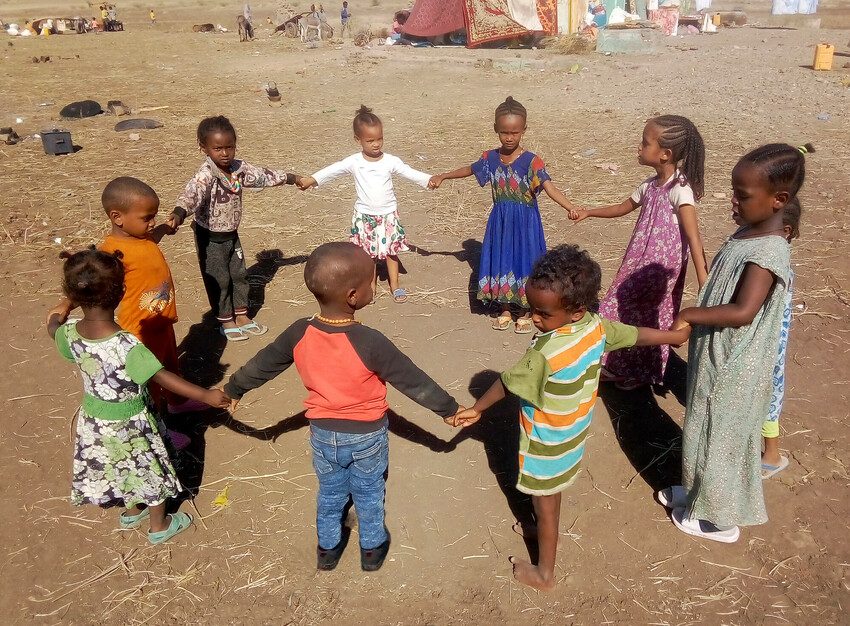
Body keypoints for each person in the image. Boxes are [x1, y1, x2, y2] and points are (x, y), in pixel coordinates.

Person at [451, 244, 690, 590]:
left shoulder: (547, 352)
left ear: (575, 311)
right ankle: (540, 528)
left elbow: (506, 383)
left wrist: (476, 409)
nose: (534, 318)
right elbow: (635, 335)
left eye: (543, 314)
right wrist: (672, 337)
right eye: (533, 309)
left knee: (545, 501)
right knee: (548, 498)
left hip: (546, 442)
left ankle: (544, 573)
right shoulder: (596, 327)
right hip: (572, 435)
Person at [223, 242, 463, 571]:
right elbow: (412, 380)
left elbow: (265, 363)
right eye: (371, 281)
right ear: (353, 296)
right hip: (367, 436)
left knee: (331, 491)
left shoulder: (300, 331)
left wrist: (236, 388)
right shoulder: (370, 341)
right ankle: (372, 547)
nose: (374, 285)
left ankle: (328, 548)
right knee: (368, 490)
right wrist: (448, 409)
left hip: (323, 434)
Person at [658, 143, 808, 543]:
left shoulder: (768, 252)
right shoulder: (750, 233)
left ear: (779, 201)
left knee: (720, 435)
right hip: (718, 355)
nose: (733, 201)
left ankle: (719, 519)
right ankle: (697, 494)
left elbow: (743, 311)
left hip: (734, 366)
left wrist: (689, 313)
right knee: (703, 427)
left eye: (742, 196)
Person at [47, 247, 229, 544]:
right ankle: (160, 526)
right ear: (120, 293)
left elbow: (52, 324)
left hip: (94, 420)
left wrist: (62, 308)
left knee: (118, 465)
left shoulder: (68, 334)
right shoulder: (126, 346)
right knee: (149, 469)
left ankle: (131, 511)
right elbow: (163, 377)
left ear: (75, 294)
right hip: (131, 423)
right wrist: (206, 395)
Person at [47, 178, 200, 447]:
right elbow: (87, 279)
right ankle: (158, 430)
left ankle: (177, 402)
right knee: (149, 381)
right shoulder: (112, 253)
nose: (152, 222)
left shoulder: (142, 236)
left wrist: (166, 226)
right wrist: (67, 303)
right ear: (117, 217)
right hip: (139, 328)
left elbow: (154, 235)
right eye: (147, 217)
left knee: (170, 362)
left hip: (161, 321)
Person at [569, 115, 707, 390]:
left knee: (622, 308)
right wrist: (589, 212)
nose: (639, 147)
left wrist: (705, 281)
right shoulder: (650, 185)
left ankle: (634, 370)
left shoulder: (680, 191)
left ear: (665, 154)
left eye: (645, 143)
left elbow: (693, 236)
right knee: (632, 313)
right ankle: (627, 368)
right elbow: (623, 207)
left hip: (658, 270)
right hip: (638, 260)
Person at [429, 97, 578, 334]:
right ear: (496, 130)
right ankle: (506, 308)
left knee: (527, 262)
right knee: (503, 260)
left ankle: (528, 311)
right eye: (504, 132)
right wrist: (444, 175)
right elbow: (470, 169)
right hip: (501, 221)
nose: (509, 137)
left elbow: (549, 187)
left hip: (526, 223)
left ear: (524, 131)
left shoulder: (532, 161)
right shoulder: (490, 158)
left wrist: (570, 206)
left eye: (515, 133)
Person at [168, 116, 300, 341]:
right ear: (204, 148)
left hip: (231, 234)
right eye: (217, 148)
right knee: (218, 279)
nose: (225, 153)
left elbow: (263, 176)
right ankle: (225, 319)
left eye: (229, 147)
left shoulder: (239, 169)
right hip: (209, 237)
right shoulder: (207, 174)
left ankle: (242, 316)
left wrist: (291, 178)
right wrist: (179, 213)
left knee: (239, 275)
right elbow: (192, 193)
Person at [297, 106, 432, 304]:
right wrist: (312, 180)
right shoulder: (354, 162)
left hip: (388, 215)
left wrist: (429, 180)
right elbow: (332, 170)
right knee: (367, 255)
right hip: (364, 215)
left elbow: (408, 172)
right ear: (357, 140)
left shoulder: (390, 161)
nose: (376, 144)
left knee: (391, 251)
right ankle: (370, 286)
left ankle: (395, 285)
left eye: (379, 139)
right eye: (370, 141)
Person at [760, 195, 802, 478]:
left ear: (785, 231)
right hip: (763, 342)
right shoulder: (769, 259)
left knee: (769, 393)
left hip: (768, 345)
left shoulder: (776, 266)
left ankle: (772, 453)